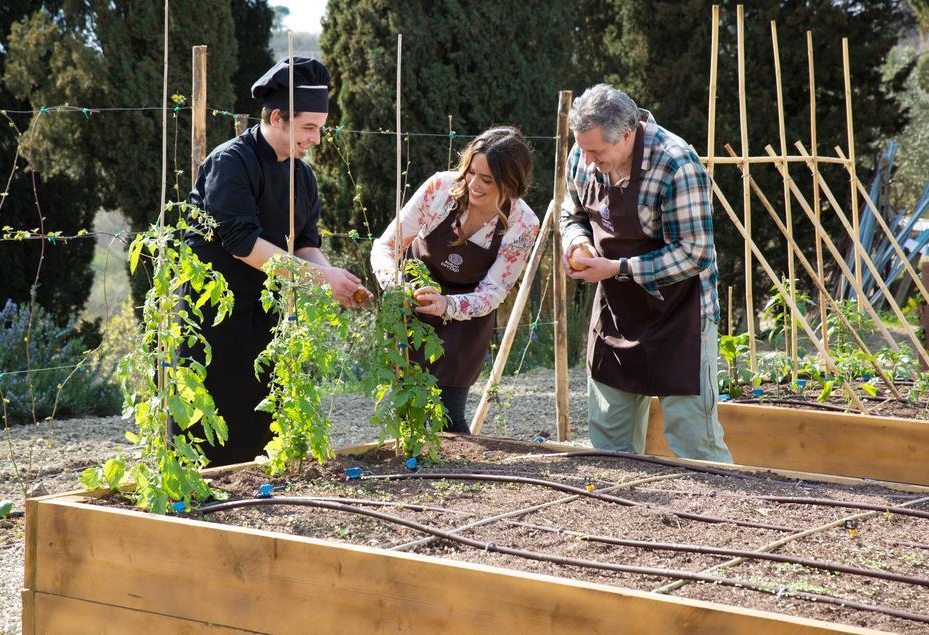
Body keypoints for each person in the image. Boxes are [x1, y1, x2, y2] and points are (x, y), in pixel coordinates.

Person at [181, 56, 370, 466]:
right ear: (279, 117)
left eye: (320, 129)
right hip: (214, 318)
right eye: (309, 128)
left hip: (267, 316)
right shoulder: (231, 162)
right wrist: (321, 279)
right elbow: (242, 243)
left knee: (263, 431)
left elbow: (305, 244)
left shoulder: (303, 177)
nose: (317, 140)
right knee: (210, 433)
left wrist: (337, 278)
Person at [559, 84, 732, 463]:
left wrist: (617, 267)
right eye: (583, 149)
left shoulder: (675, 163)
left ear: (626, 133)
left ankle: (722, 520)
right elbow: (570, 214)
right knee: (610, 446)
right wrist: (576, 244)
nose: (587, 162)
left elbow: (695, 253)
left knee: (694, 444)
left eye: (596, 153)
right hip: (617, 314)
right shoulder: (583, 152)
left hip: (680, 318)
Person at [371, 127, 539, 433]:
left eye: (487, 180)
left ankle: (460, 475)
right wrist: (396, 285)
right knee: (406, 413)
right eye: (471, 172)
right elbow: (386, 246)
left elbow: (494, 292)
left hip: (465, 317)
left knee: (448, 419)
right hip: (412, 304)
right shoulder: (440, 189)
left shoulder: (523, 224)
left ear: (511, 184)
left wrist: (447, 304)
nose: (474, 185)